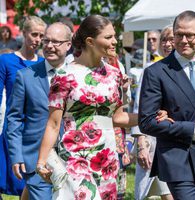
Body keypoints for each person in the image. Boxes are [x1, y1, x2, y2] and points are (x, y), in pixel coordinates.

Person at [35, 14, 141, 200]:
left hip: (107, 158)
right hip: (75, 158)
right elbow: (53, 124)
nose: (115, 41)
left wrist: (149, 117)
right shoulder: (64, 76)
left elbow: (118, 118)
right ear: (90, 41)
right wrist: (42, 161)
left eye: (114, 36)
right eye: (108, 37)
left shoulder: (115, 74)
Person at [6, 22, 72, 200]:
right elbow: (14, 118)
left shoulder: (79, 75)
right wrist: (16, 155)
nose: (50, 46)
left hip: (74, 158)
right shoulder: (26, 76)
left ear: (69, 44)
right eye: (47, 40)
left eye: (56, 42)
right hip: (36, 159)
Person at [139, 10, 195, 200]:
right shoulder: (156, 72)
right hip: (180, 160)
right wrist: (192, 129)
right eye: (178, 34)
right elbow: (147, 121)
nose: (183, 40)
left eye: (189, 35)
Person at [0, 16, 46, 196]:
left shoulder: (43, 63)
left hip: (36, 131)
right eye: (34, 34)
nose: (38, 40)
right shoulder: (6, 61)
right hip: (14, 128)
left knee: (32, 184)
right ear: (23, 33)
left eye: (41, 36)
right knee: (11, 181)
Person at [132, 26, 175, 200]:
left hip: (179, 142)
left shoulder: (192, 70)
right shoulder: (150, 70)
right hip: (154, 142)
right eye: (164, 39)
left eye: (172, 39)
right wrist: (141, 143)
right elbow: (138, 109)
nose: (167, 44)